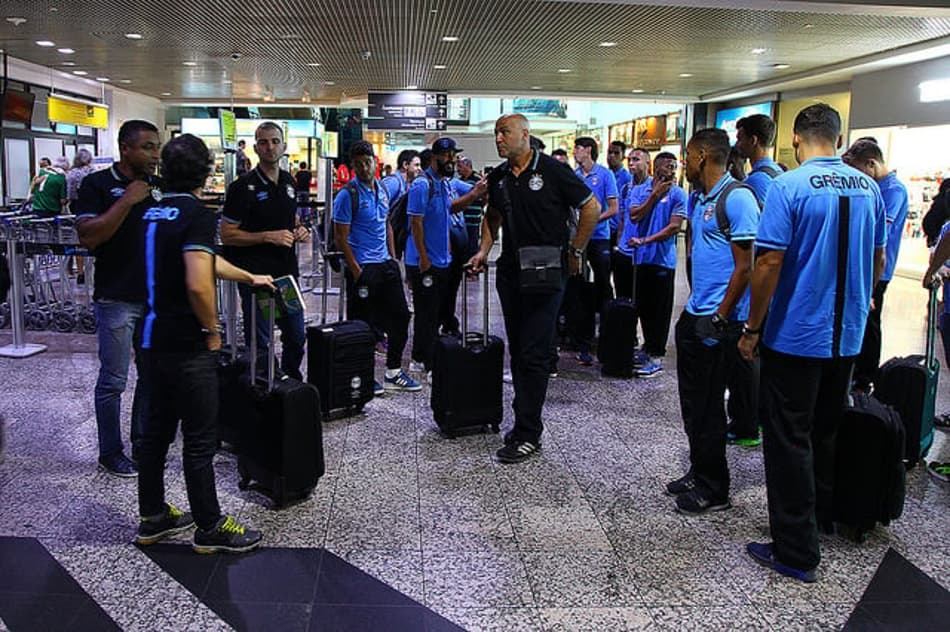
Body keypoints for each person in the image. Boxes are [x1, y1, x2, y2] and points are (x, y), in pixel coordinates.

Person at [739, 103, 886, 583]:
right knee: (825, 429)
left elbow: (768, 263)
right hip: (846, 336)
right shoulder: (868, 186)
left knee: (788, 438)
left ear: (798, 140)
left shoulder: (789, 185)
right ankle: (820, 517)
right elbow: (878, 259)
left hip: (797, 335)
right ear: (839, 141)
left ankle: (796, 550)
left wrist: (753, 328)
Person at [135, 133, 264, 554]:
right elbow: (197, 280)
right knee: (199, 439)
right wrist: (212, 330)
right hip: (188, 344)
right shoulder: (198, 214)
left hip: (151, 339)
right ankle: (209, 526)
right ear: (208, 172)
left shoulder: (152, 212)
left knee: (155, 434)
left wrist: (248, 277)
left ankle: (153, 516)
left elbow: (203, 259)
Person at [469, 113, 600, 464]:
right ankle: (523, 423)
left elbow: (591, 206)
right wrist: (483, 250)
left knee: (535, 353)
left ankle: (528, 432)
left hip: (546, 274)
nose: (499, 138)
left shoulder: (553, 172)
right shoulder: (498, 177)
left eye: (504, 132)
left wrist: (576, 249)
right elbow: (491, 217)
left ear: (525, 135)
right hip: (512, 274)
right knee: (519, 350)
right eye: (496, 132)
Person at [668, 128, 759, 515]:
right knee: (693, 404)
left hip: (720, 321)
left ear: (703, 155)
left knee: (709, 407)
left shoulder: (737, 198)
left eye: (688, 156)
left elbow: (747, 267)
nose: (684, 163)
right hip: (695, 313)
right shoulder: (700, 196)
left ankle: (714, 487)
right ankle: (698, 468)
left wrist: (722, 316)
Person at [76, 120, 163, 477]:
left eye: (156, 147)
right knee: (113, 380)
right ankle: (110, 451)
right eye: (147, 147)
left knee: (150, 376)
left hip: (153, 298)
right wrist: (126, 201)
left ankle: (142, 444)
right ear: (125, 148)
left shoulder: (158, 186)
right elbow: (88, 237)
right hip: (116, 298)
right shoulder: (96, 185)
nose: (155, 154)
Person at [221, 122, 311, 381]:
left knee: (296, 336)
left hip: (286, 277)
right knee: (261, 342)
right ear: (255, 147)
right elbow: (228, 234)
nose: (269, 147)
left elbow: (288, 217)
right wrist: (266, 237)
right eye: (263, 142)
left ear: (283, 145)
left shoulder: (288, 181)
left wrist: (299, 229)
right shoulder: (242, 187)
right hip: (256, 278)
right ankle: (265, 387)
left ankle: (290, 385)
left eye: (274, 141)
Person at [332, 140, 422, 394]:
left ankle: (393, 370)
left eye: (367, 161)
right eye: (358, 164)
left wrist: (393, 259)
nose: (363, 167)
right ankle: (364, 375)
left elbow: (387, 225)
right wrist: (357, 270)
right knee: (364, 325)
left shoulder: (382, 189)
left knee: (401, 316)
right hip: (363, 267)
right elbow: (341, 237)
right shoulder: (347, 195)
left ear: (375, 162)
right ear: (353, 166)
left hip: (385, 264)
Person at [843, 139, 909, 393]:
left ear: (872, 163)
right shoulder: (873, 187)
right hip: (862, 266)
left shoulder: (893, 190)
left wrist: (869, 288)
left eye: (860, 168)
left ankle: (865, 376)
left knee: (870, 323)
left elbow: (879, 233)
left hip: (878, 270)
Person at [625, 152, 687, 377]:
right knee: (642, 305)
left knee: (660, 310)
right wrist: (653, 196)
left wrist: (645, 240)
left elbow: (674, 227)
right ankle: (647, 347)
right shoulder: (639, 191)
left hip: (663, 261)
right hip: (641, 260)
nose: (671, 171)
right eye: (667, 166)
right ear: (656, 168)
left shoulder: (679, 194)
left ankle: (656, 355)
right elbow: (634, 216)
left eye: (674, 166)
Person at [405, 138, 459, 373]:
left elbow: (445, 218)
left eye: (453, 156)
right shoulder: (422, 184)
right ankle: (423, 361)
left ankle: (425, 355)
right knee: (426, 314)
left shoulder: (444, 183)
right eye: (447, 156)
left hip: (441, 260)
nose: (452, 160)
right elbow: (415, 222)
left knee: (436, 312)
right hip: (424, 262)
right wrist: (424, 258)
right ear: (435, 157)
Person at [572, 137, 619, 366]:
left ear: (588, 150)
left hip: (599, 237)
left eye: (577, 149)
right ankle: (582, 339)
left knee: (603, 285)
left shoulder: (605, 175)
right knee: (580, 286)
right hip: (581, 238)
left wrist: (592, 220)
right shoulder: (575, 175)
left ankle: (609, 335)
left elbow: (613, 208)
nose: (575, 152)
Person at [735, 114, 781, 204]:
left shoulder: (755, 181)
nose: (737, 144)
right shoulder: (778, 172)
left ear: (753, 140)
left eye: (740, 139)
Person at [67, 149, 96, 284]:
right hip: (92, 208)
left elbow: (69, 195)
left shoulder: (71, 173)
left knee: (77, 240)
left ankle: (80, 272)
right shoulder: (92, 172)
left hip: (75, 208)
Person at [606, 140, 632, 252]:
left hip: (617, 228)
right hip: (603, 228)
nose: (612, 156)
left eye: (616, 153)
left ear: (623, 156)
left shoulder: (627, 178)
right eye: (610, 152)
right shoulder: (604, 175)